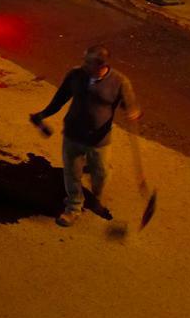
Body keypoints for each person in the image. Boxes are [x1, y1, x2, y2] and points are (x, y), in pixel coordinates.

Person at [30, 45, 142, 227]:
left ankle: (94, 195)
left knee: (102, 173)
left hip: (99, 140)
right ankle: (73, 207)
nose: (83, 65)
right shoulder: (76, 75)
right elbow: (59, 99)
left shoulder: (120, 82)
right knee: (72, 172)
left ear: (101, 65)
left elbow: (130, 106)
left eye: (88, 63)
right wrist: (42, 115)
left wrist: (133, 112)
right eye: (85, 61)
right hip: (73, 134)